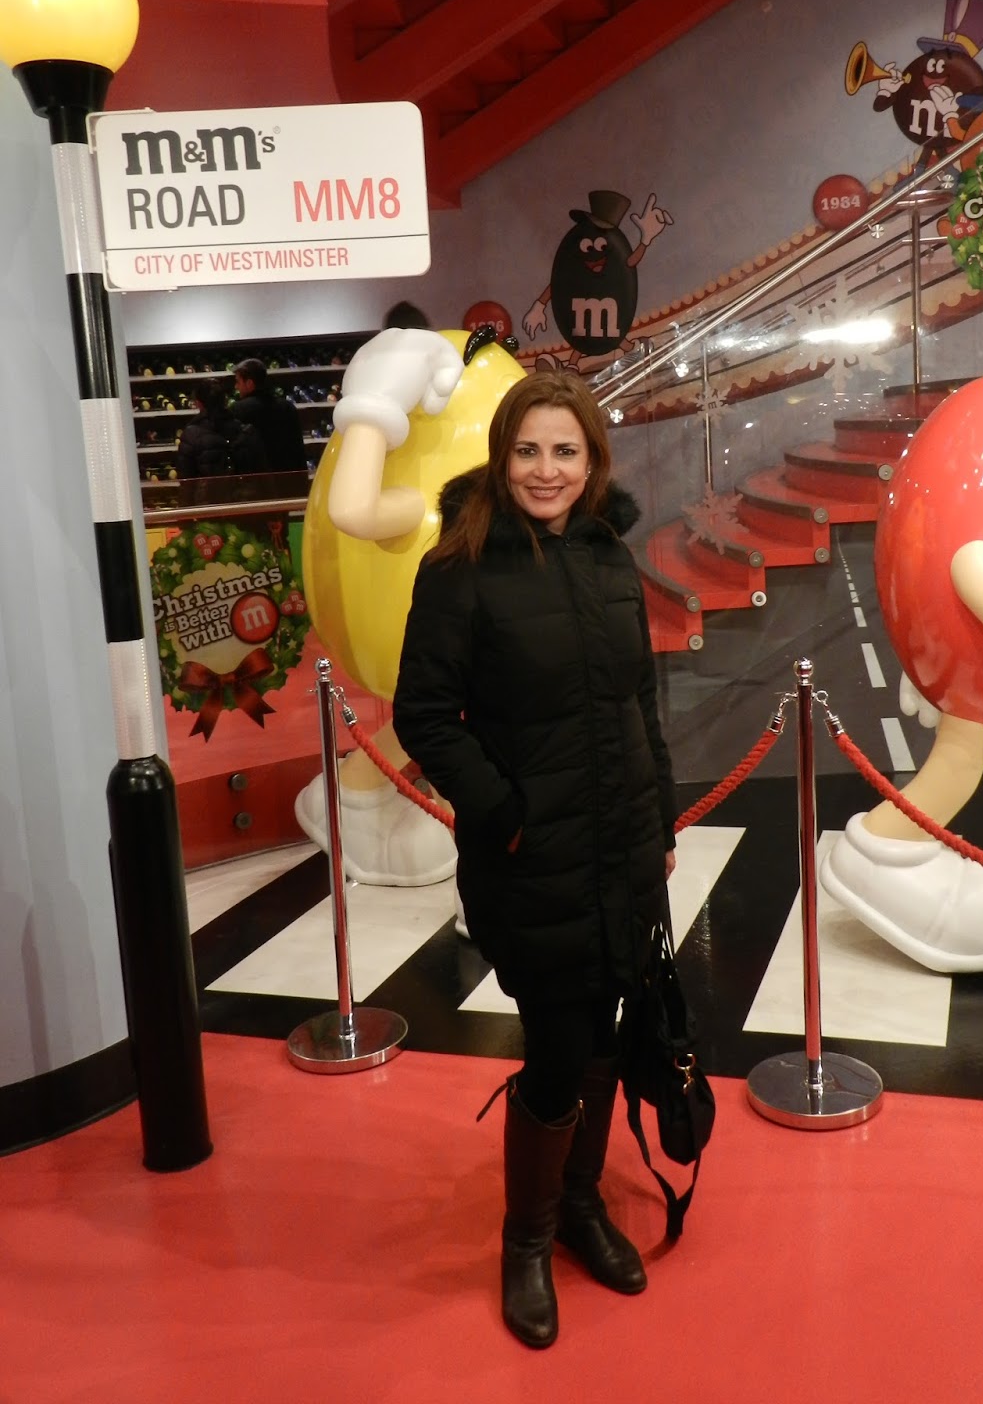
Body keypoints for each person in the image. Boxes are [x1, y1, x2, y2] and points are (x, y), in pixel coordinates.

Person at [392, 372, 677, 1350]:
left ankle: (583, 1204)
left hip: (620, 846)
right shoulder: (461, 567)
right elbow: (424, 713)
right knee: (558, 1047)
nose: (546, 471)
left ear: (592, 462)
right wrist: (503, 811)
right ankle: (528, 1237)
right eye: (528, 451)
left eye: (565, 452)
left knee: (603, 1040)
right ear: (501, 457)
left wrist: (659, 819)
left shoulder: (609, 557)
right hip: (532, 857)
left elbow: (640, 703)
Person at [176, 379, 267, 497]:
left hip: (209, 503)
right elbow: (261, 475)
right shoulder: (247, 431)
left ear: (199, 403)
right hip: (243, 501)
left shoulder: (191, 435)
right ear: (226, 401)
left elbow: (186, 481)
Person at [231, 358, 309, 493]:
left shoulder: (239, 410)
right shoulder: (287, 407)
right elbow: (298, 447)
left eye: (238, 382)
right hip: (289, 481)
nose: (236, 387)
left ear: (249, 383)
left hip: (258, 484)